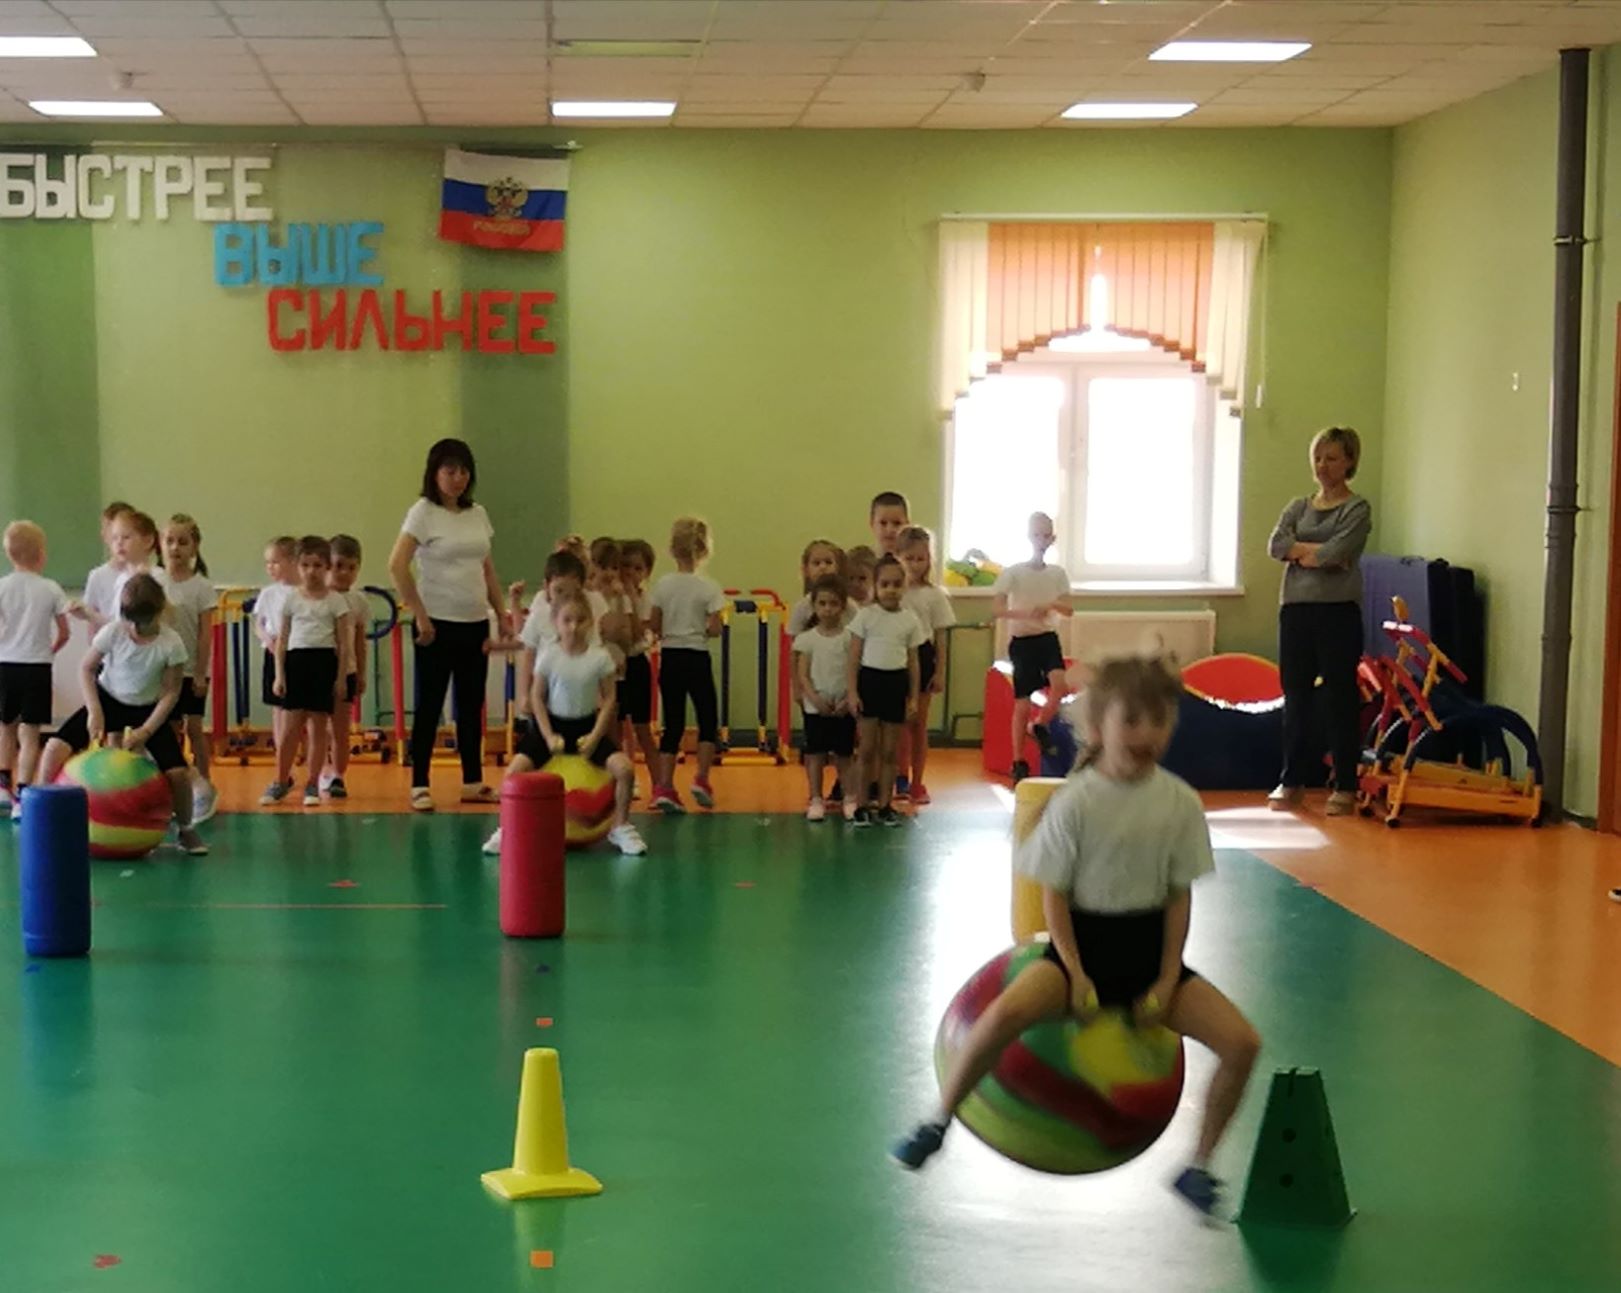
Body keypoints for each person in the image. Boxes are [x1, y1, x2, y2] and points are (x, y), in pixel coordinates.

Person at [890, 657, 1261, 1220]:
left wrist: (1167, 977)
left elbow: (1178, 897)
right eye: (1131, 720)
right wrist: (1077, 973)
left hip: (1146, 954)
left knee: (1243, 1044)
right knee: (1003, 1014)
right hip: (1079, 951)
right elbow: (1055, 897)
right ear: (1097, 726)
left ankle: (1199, 1165)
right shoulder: (1077, 802)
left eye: (1159, 720)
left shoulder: (1180, 803)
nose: (1146, 734)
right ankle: (937, 1121)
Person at [38, 573, 207, 855]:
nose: (135, 629)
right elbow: (86, 669)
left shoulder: (171, 643)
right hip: (108, 700)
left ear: (159, 612)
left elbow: (171, 692)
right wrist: (94, 711)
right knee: (54, 747)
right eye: (131, 621)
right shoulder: (114, 632)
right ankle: (42, 816)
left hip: (148, 708)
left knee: (178, 774)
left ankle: (186, 829)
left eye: (143, 622)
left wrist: (147, 730)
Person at [388, 438, 507, 812]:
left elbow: (487, 568)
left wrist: (501, 613)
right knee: (429, 703)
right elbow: (397, 566)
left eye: (464, 471)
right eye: (450, 470)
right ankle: (419, 782)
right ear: (435, 473)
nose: (458, 478)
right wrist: (420, 615)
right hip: (435, 624)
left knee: (471, 704)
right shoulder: (423, 512)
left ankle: (472, 780)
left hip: (474, 622)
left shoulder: (477, 513)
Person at [481, 591, 647, 858]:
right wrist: (548, 736)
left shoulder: (599, 658)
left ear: (590, 622)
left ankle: (620, 826)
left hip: (587, 727)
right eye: (567, 620)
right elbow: (537, 697)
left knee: (625, 770)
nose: (573, 627)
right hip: (553, 727)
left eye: (580, 620)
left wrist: (594, 737)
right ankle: (507, 829)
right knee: (513, 773)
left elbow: (609, 700)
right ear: (556, 623)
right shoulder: (549, 656)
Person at [1266, 427, 1372, 816]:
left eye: (1332, 458)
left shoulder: (1356, 509)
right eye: (1318, 458)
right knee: (1295, 697)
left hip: (1337, 613)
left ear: (1349, 462)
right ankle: (1292, 780)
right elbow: (1276, 545)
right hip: (1296, 611)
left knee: (1339, 698)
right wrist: (1317, 552)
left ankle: (1345, 785)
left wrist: (1305, 552)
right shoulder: (1298, 506)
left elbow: (1338, 552)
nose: (1323, 466)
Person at [264, 536, 352, 808]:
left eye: (317, 565)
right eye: (305, 565)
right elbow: (282, 640)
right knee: (290, 727)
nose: (311, 571)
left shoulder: (336, 601)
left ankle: (313, 782)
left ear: (327, 567)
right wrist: (279, 675)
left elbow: (343, 644)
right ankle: (281, 780)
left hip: (323, 663)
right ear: (298, 566)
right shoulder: (291, 599)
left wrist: (340, 678)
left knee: (318, 728)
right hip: (296, 662)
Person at [649, 516, 726, 814]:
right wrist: (702, 628)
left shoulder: (663, 585)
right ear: (705, 550)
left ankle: (664, 786)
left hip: (671, 656)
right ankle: (702, 779)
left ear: (672, 549)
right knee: (707, 718)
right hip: (696, 655)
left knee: (673, 723)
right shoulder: (709, 587)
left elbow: (655, 624)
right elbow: (716, 628)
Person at [993, 512, 1073, 783]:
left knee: (1059, 685)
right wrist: (1024, 613)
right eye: (1036, 534)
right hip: (1022, 642)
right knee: (1023, 701)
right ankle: (1018, 760)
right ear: (1029, 537)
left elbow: (1068, 608)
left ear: (1052, 539)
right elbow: (998, 608)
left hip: (1047, 638)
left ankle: (1039, 725)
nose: (1041, 540)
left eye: (1046, 535)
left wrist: (1049, 605)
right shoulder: (1013, 572)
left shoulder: (1057, 574)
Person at [846, 554, 924, 827]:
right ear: (875, 586)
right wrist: (852, 692)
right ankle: (861, 805)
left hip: (895, 684)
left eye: (897, 584)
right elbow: (853, 657)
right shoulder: (866, 616)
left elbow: (913, 662)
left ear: (905, 586)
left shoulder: (910, 620)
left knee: (890, 752)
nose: (891, 590)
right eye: (885, 584)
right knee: (867, 749)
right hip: (870, 683)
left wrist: (913, 697)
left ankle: (885, 804)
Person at [0, 521, 70, 821]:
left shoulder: (2, 586)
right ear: (41, 554)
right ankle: (22, 796)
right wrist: (49, 651)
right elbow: (64, 632)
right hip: (37, 666)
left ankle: (2, 786)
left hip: (5, 664)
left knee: (5, 727)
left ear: (9, 554)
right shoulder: (50, 588)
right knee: (30, 735)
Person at [155, 514, 218, 823]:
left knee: (194, 727)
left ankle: (205, 785)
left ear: (194, 547)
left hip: (191, 670)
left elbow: (205, 634)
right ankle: (172, 787)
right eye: (169, 541)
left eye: (182, 542)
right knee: (167, 731)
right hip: (163, 671)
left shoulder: (201, 587)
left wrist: (202, 672)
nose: (175, 548)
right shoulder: (155, 581)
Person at [898, 525, 955, 807]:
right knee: (896, 724)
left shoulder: (934, 595)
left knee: (917, 723)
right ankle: (898, 777)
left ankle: (917, 781)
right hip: (894, 655)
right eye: (908, 558)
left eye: (920, 558)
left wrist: (940, 671)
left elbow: (941, 637)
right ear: (898, 557)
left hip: (922, 655)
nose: (914, 564)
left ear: (929, 560)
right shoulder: (891, 591)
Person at [793, 573, 856, 822]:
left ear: (842, 606)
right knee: (815, 755)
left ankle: (849, 798)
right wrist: (814, 699)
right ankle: (816, 798)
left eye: (833, 603)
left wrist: (847, 700)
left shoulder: (850, 638)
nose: (827, 609)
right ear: (814, 606)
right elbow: (803, 674)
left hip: (842, 706)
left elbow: (854, 670)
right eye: (822, 603)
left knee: (844, 755)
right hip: (815, 707)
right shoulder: (806, 639)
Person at [322, 534, 370, 799]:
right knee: (318, 729)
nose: (344, 573)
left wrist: (361, 673)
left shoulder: (358, 601)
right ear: (327, 564)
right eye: (338, 565)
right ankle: (320, 772)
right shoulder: (317, 597)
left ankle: (338, 775)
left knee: (340, 729)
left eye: (351, 568)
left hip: (346, 671)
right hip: (318, 668)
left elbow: (360, 641)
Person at [616, 537, 658, 789]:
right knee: (617, 728)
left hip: (637, 664)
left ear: (646, 573)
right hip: (616, 666)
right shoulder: (612, 597)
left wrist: (631, 599)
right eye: (625, 566)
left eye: (638, 568)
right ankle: (622, 782)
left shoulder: (645, 600)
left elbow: (637, 634)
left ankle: (660, 785)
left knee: (643, 729)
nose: (630, 572)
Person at [77, 507, 157, 633]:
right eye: (114, 538)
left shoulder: (157, 576)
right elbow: (117, 623)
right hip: (121, 643)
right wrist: (88, 615)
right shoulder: (122, 579)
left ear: (147, 541)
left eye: (126, 537)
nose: (119, 543)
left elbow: (164, 620)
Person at [254, 536, 300, 758]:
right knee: (278, 706)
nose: (270, 567)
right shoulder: (268, 593)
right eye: (267, 563)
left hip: (298, 651)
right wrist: (268, 639)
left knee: (299, 707)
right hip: (274, 652)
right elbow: (258, 624)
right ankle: (281, 752)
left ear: (292, 561)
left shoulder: (302, 591)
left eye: (275, 562)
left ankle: (299, 750)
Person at [79, 500, 134, 630]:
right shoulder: (97, 576)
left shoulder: (145, 573)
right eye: (112, 531)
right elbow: (92, 623)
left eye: (125, 534)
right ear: (104, 535)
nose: (119, 540)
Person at [786, 539, 846, 635]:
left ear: (837, 567)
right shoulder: (802, 607)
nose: (823, 567)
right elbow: (794, 639)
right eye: (816, 563)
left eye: (828, 562)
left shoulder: (848, 604)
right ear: (806, 570)